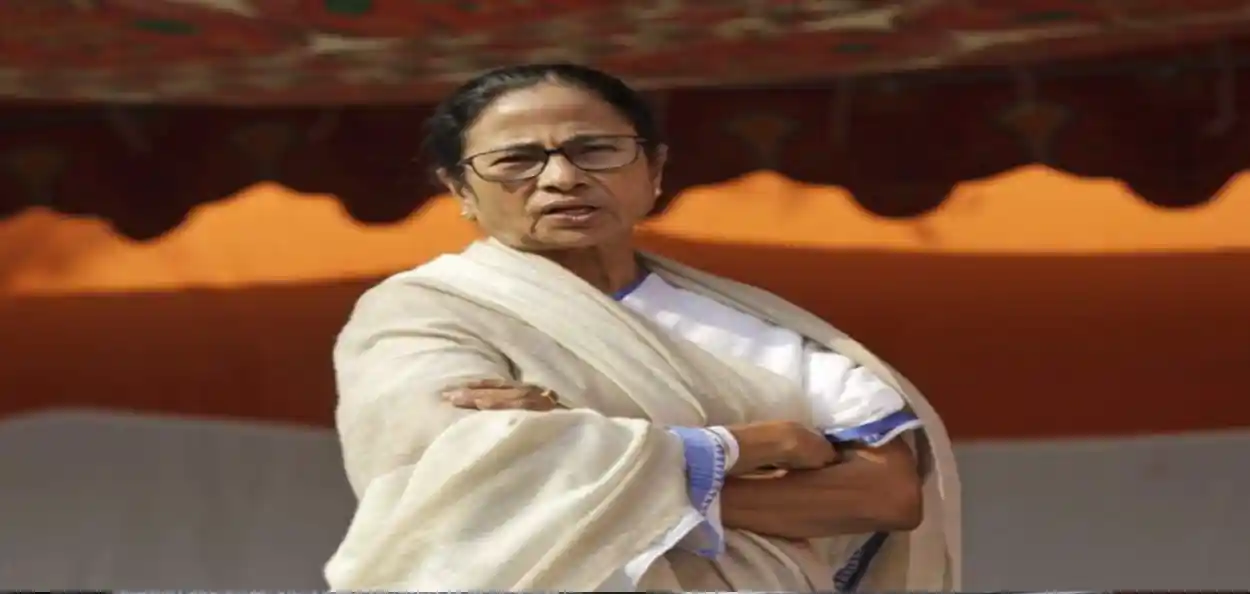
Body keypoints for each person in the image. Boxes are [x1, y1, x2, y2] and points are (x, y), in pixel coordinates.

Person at [324, 63, 961, 592]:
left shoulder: (756, 327)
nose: (562, 178)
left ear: (653, 170)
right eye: (516, 160)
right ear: (460, 189)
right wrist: (757, 445)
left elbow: (887, 495)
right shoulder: (420, 313)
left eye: (596, 151)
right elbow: (463, 473)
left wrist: (595, 466)